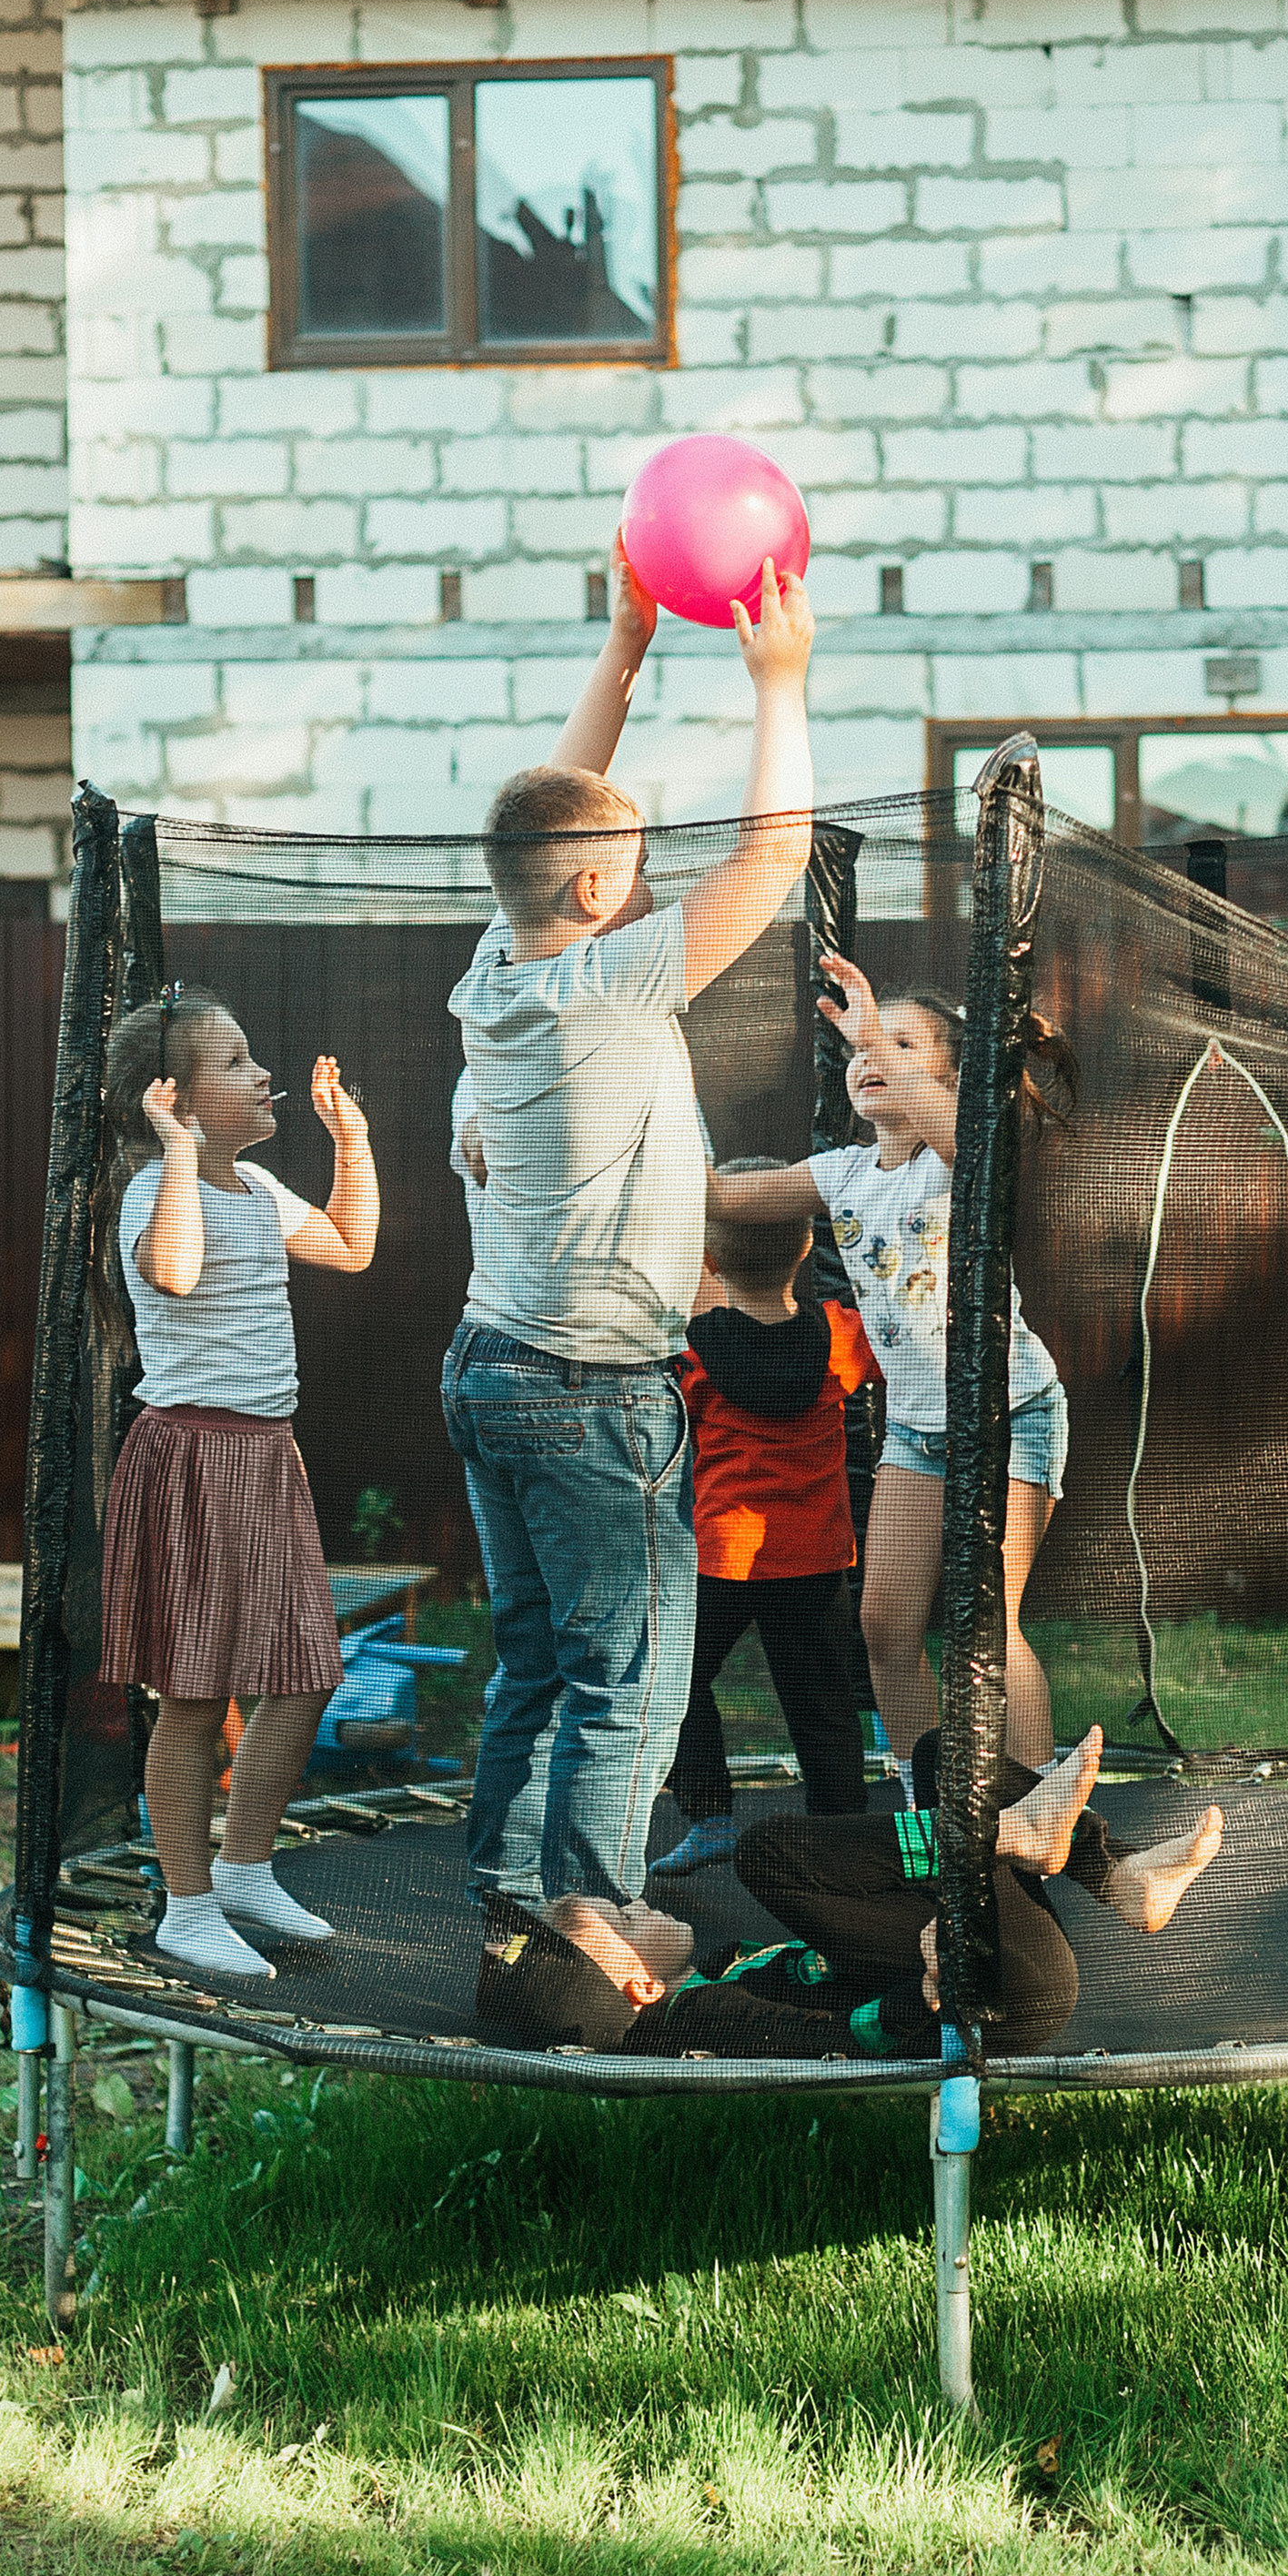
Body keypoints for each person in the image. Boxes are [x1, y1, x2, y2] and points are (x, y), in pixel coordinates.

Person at [443, 534, 816, 1931]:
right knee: (631, 1673)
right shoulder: (606, 981)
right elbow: (775, 853)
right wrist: (778, 679)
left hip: (489, 1364)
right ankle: (596, 1921)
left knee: (538, 1660)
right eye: (640, 863)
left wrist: (627, 649)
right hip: (591, 1392)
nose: (653, 879)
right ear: (599, 896)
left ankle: (509, 1899)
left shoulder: (499, 965)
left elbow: (541, 825)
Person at [705, 956, 1073, 1773]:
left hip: (1008, 1413)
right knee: (885, 1627)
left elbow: (960, 1133)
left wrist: (871, 1030)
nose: (870, 1055)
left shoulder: (957, 1159)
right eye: (862, 1048)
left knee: (987, 1625)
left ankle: (1040, 1819)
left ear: (951, 1078)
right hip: (915, 1431)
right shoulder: (840, 1174)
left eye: (903, 1045)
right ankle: (922, 1822)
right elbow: (721, 1198)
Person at [96, 985, 378, 1983]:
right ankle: (188, 1906)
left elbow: (349, 1245)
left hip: (267, 1456)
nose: (264, 1076)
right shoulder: (154, 1190)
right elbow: (172, 1272)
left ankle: (245, 1867)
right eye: (235, 1062)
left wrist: (352, 1146)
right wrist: (176, 1154)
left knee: (304, 1672)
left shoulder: (258, 1189)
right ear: (171, 1099)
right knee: (193, 1692)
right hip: (192, 1462)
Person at [471, 1726, 1224, 2064]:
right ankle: (1004, 1835)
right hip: (985, 1991)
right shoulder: (696, 2017)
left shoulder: (718, 1972)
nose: (637, 1903)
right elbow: (817, 2039)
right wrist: (917, 1998)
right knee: (764, 1855)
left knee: (942, 1751)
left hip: (987, 1968)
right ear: (639, 1986)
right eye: (624, 1918)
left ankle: (1120, 1878)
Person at [649, 1159, 881, 1878]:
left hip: (722, 1555)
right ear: (807, 1248)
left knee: (676, 1681)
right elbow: (893, 1351)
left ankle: (710, 1814)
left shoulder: (692, 1351)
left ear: (709, 1259)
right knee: (825, 1709)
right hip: (815, 1558)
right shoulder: (840, 1336)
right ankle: (843, 1842)